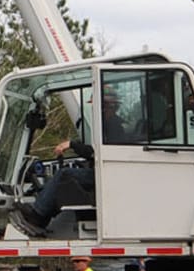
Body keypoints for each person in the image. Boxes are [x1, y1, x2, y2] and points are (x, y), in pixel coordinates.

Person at [18, 88, 133, 232]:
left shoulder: (114, 127)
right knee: (67, 182)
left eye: (97, 105)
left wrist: (71, 145)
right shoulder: (111, 125)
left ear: (106, 106)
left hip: (105, 176)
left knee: (64, 174)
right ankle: (43, 217)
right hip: (105, 173)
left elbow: (97, 153)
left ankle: (38, 214)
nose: (95, 109)